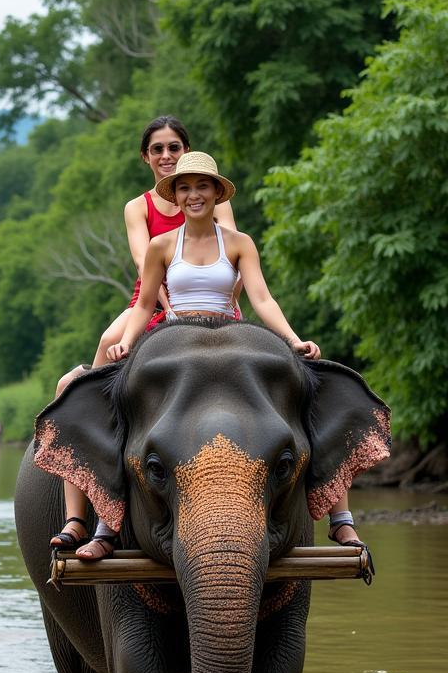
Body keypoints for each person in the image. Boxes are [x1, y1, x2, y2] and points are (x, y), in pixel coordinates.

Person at [101, 150, 362, 553]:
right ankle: (106, 522)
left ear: (216, 193)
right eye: (184, 188)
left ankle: (340, 518)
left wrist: (294, 340)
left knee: (314, 395)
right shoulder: (161, 245)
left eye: (202, 186)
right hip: (175, 340)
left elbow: (262, 299)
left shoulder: (239, 243)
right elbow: (143, 303)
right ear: (176, 196)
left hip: (230, 335)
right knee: (121, 409)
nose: (193, 195)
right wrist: (126, 342)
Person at [49, 116, 238, 558]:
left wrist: (224, 304)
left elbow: (233, 255)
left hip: (212, 302)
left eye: (174, 147)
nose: (167, 156)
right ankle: (79, 511)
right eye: (158, 149)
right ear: (146, 157)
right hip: (151, 300)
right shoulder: (138, 207)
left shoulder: (214, 201)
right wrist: (168, 312)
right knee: (89, 378)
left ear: (187, 152)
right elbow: (143, 261)